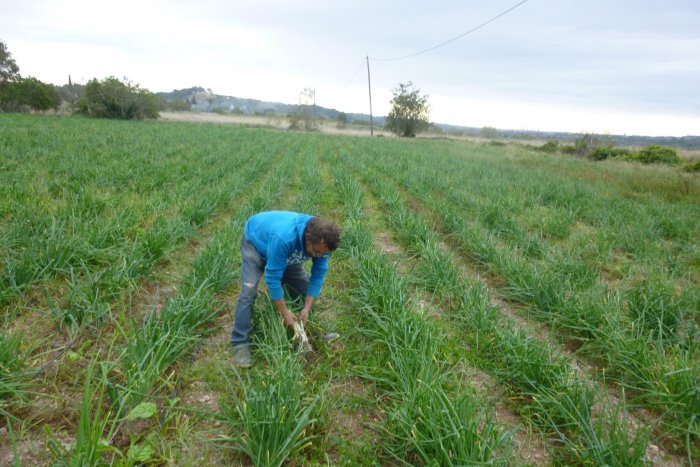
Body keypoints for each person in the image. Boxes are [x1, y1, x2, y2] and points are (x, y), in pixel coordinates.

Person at [230, 210, 341, 367]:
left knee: (304, 288)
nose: (318, 256)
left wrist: (307, 308)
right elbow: (273, 277)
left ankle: (311, 331)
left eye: (322, 254)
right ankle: (240, 343)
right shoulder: (285, 238)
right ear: (308, 238)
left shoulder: (323, 246)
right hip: (256, 243)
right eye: (315, 252)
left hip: (284, 251)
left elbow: (318, 275)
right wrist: (284, 312)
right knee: (248, 291)